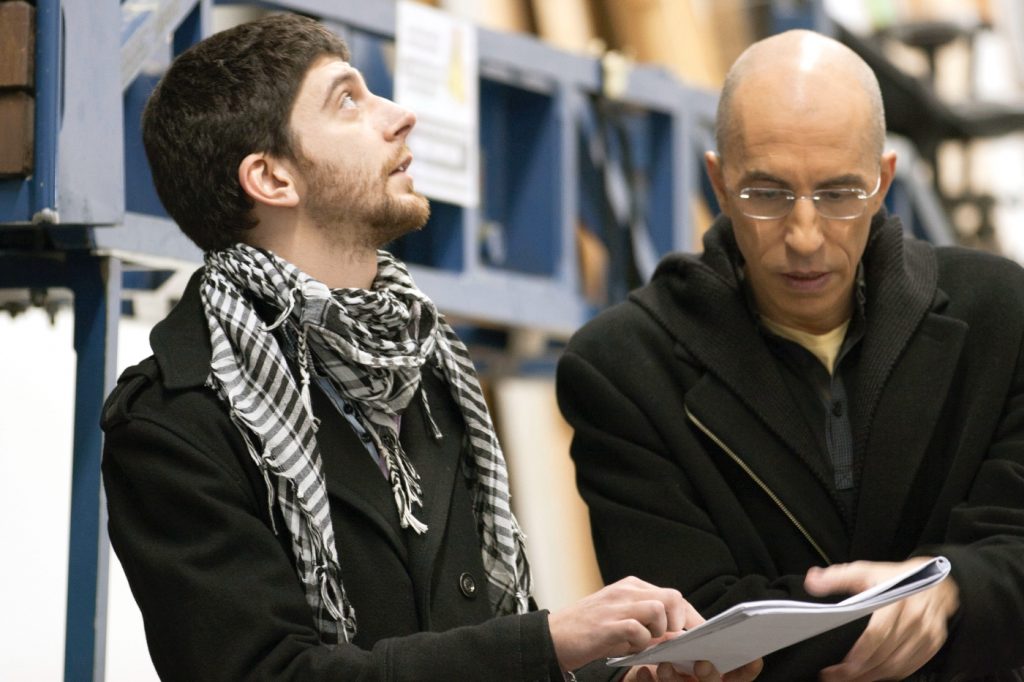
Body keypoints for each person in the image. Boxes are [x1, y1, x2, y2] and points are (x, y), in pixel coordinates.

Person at [100, 12, 764, 682]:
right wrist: (550, 641)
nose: (399, 117)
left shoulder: (420, 361)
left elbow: (466, 647)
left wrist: (624, 676)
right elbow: (271, 673)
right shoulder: (173, 422)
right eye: (347, 100)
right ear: (272, 179)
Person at [556, 28, 1024, 682]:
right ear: (718, 182)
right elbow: (687, 625)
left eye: (838, 194)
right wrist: (925, 602)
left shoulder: (1002, 317)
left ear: (883, 181)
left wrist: (954, 587)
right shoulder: (624, 369)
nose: (804, 236)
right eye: (768, 195)